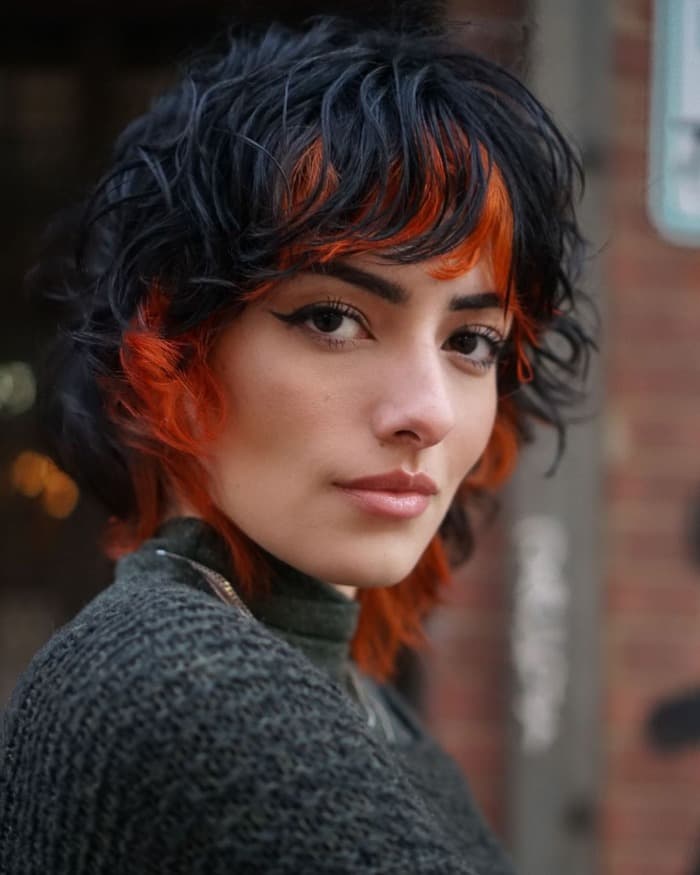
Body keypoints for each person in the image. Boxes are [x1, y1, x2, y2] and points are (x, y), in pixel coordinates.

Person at [0, 16, 592, 874]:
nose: (425, 410)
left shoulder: (364, 705)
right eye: (332, 318)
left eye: (471, 342)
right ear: (171, 343)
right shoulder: (180, 680)